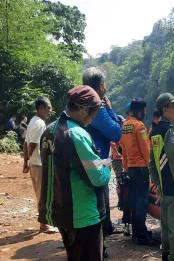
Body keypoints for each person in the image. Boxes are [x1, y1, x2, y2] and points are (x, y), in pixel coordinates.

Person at [38, 85, 111, 261]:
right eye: (93, 114)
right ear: (85, 110)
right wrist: (106, 167)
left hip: (61, 211)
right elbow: (97, 177)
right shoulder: (77, 134)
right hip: (83, 215)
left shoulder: (49, 130)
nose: (92, 120)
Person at [83, 67, 122, 242]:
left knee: (100, 198)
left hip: (89, 160)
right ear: (100, 86)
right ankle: (98, 246)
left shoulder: (80, 103)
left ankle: (105, 228)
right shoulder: (96, 106)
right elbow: (115, 133)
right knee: (96, 204)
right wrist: (111, 110)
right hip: (95, 163)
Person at [149, 93, 174, 261]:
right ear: (165, 109)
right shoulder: (169, 132)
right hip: (172, 189)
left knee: (166, 227)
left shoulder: (155, 132)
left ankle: (166, 256)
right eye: (173, 106)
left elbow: (152, 163)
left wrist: (157, 184)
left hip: (163, 189)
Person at [119, 98, 159, 245]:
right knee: (141, 202)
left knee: (135, 201)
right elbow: (145, 151)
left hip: (130, 169)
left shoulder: (125, 126)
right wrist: (152, 170)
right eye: (144, 110)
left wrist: (126, 168)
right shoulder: (139, 126)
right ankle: (141, 235)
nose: (145, 113)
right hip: (141, 169)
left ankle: (137, 233)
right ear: (140, 110)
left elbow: (123, 150)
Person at [22, 97, 56, 234]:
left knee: (40, 193)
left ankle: (45, 221)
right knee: (44, 194)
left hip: (35, 164)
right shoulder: (40, 123)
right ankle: (44, 224)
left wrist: (26, 162)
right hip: (40, 165)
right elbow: (32, 145)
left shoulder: (32, 121)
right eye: (48, 108)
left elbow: (25, 143)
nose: (50, 111)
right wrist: (29, 157)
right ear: (41, 108)